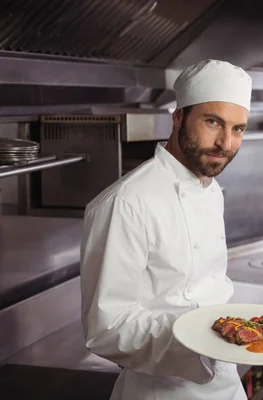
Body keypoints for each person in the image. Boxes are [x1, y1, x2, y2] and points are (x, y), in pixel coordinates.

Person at [79, 59, 252, 400]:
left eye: (238, 129)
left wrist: (231, 335)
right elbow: (106, 328)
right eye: (213, 122)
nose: (225, 144)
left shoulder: (210, 186)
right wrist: (201, 339)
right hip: (163, 390)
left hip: (226, 384)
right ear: (178, 117)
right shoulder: (126, 203)